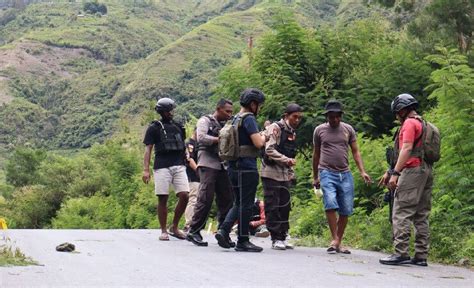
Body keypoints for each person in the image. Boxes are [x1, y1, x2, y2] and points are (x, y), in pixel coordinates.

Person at [379, 94, 434, 267]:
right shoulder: (422, 123)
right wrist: (391, 171)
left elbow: (407, 149)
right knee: (421, 213)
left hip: (412, 171)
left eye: (397, 112)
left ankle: (400, 252)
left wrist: (395, 173)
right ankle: (421, 255)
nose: (396, 115)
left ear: (402, 110)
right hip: (425, 170)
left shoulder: (409, 124)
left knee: (401, 210)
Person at [312, 100, 371, 254]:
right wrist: (315, 176)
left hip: (345, 173)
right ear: (327, 116)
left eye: (338, 116)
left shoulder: (348, 129)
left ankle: (338, 241)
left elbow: (355, 151)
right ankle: (334, 239)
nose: (335, 120)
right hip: (326, 172)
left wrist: (362, 171)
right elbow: (316, 154)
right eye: (332, 117)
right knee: (330, 203)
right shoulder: (319, 131)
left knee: (345, 209)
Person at [215, 88, 268, 252]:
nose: (259, 108)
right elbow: (258, 143)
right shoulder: (249, 118)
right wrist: (267, 134)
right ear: (253, 104)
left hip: (232, 167)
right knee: (246, 204)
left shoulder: (234, 118)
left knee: (238, 202)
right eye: (259, 105)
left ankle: (223, 230)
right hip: (247, 167)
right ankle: (243, 240)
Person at [186, 99, 234, 247]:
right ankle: (194, 230)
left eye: (231, 112)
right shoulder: (205, 121)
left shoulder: (226, 124)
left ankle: (223, 232)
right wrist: (219, 139)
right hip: (207, 163)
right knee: (205, 197)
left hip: (222, 165)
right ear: (218, 109)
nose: (229, 114)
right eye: (227, 111)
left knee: (227, 198)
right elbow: (201, 137)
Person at [142, 97, 189, 241]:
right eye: (169, 110)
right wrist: (146, 170)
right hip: (162, 166)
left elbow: (183, 144)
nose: (171, 112)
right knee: (163, 198)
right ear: (162, 111)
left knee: (185, 195)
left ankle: (174, 226)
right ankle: (163, 230)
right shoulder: (154, 128)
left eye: (172, 110)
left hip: (179, 165)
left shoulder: (178, 126)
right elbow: (148, 149)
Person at [261, 103, 303, 250]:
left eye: (299, 117)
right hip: (271, 172)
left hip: (285, 175)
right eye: (294, 117)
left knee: (285, 205)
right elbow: (269, 149)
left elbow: (291, 154)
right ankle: (275, 237)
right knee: (272, 205)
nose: (297, 120)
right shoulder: (275, 128)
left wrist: (291, 172)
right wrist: (286, 160)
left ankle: (283, 235)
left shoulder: (292, 132)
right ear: (286, 116)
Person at [183, 129, 200, 232]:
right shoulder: (189, 143)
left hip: (198, 177)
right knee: (193, 199)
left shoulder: (198, 144)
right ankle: (188, 224)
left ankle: (194, 223)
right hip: (192, 176)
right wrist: (199, 171)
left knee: (197, 200)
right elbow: (190, 160)